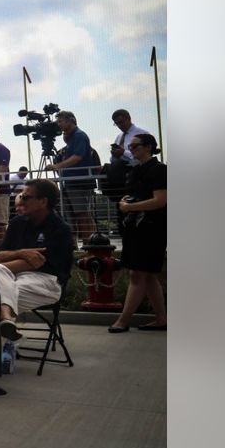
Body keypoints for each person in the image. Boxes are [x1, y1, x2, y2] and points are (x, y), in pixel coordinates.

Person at [0, 179, 74, 343]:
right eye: (21, 196)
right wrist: (22, 252)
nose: (20, 200)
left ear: (43, 201)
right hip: (10, 276)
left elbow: (35, 263)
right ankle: (6, 320)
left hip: (46, 282)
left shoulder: (60, 229)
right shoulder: (16, 223)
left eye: (26, 197)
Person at [109, 134, 167, 332]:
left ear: (149, 147)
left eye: (135, 146)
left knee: (137, 273)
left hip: (152, 227)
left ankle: (123, 320)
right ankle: (161, 318)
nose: (131, 150)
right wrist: (127, 202)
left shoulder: (159, 170)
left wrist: (130, 207)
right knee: (149, 275)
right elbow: (137, 195)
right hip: (135, 227)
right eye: (130, 147)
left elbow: (160, 200)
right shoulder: (136, 170)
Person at [49, 110, 96, 240]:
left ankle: (89, 243)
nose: (59, 125)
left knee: (82, 213)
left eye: (61, 121)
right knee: (71, 215)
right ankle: (74, 243)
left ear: (71, 120)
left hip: (79, 181)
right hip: (70, 181)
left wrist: (57, 166)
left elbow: (77, 156)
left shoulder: (80, 136)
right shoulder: (71, 138)